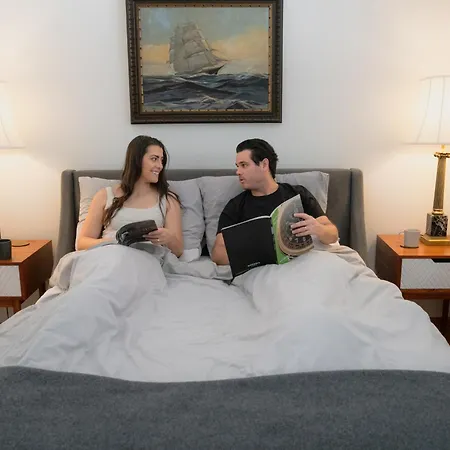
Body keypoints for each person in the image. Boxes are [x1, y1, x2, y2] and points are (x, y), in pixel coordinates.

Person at [211, 138, 339, 265]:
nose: (238, 172)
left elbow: (333, 234)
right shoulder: (236, 206)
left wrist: (319, 229)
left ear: (264, 164)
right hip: (263, 269)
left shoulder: (297, 193)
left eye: (244, 165)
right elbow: (218, 255)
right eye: (237, 166)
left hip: (303, 262)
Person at [77, 135, 183, 257]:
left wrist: (169, 238)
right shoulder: (105, 196)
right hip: (109, 257)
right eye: (154, 159)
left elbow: (178, 251)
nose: (160, 166)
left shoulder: (168, 200)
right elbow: (82, 243)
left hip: (146, 260)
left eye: (161, 160)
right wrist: (112, 243)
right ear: (136, 160)